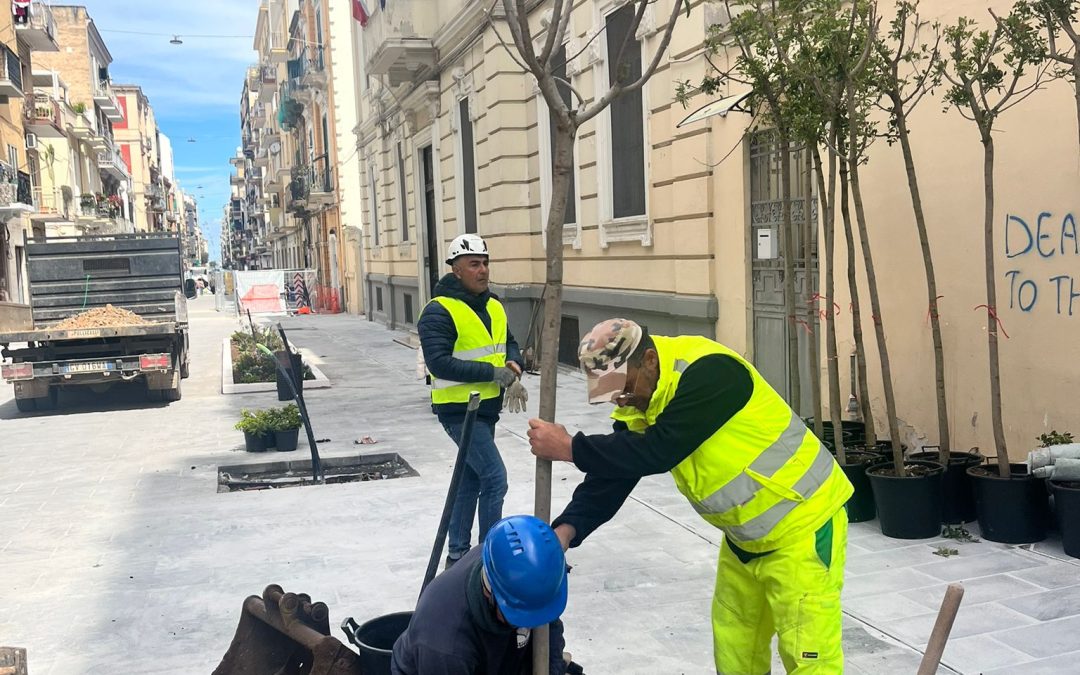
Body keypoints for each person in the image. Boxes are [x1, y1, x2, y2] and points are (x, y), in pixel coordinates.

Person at [527, 318, 854, 674]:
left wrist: (571, 447)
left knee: (809, 656)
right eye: (611, 394)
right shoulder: (645, 397)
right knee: (735, 647)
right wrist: (566, 531)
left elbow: (658, 450)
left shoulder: (710, 373)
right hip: (746, 540)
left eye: (623, 387)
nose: (622, 400)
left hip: (803, 526)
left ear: (649, 359)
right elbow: (617, 473)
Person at [417, 233, 528, 569]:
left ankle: (458, 555)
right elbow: (439, 362)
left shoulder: (493, 305)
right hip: (458, 411)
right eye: (474, 265)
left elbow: (509, 342)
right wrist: (494, 373)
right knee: (495, 477)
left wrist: (513, 363)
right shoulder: (438, 311)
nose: (483, 270)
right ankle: (488, 557)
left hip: (486, 408)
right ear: (456, 271)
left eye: (485, 263)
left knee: (471, 479)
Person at [391, 515, 577, 675]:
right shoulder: (446, 647)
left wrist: (553, 669)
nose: (529, 623)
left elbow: (549, 628)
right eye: (519, 616)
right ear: (490, 592)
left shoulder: (524, 576)